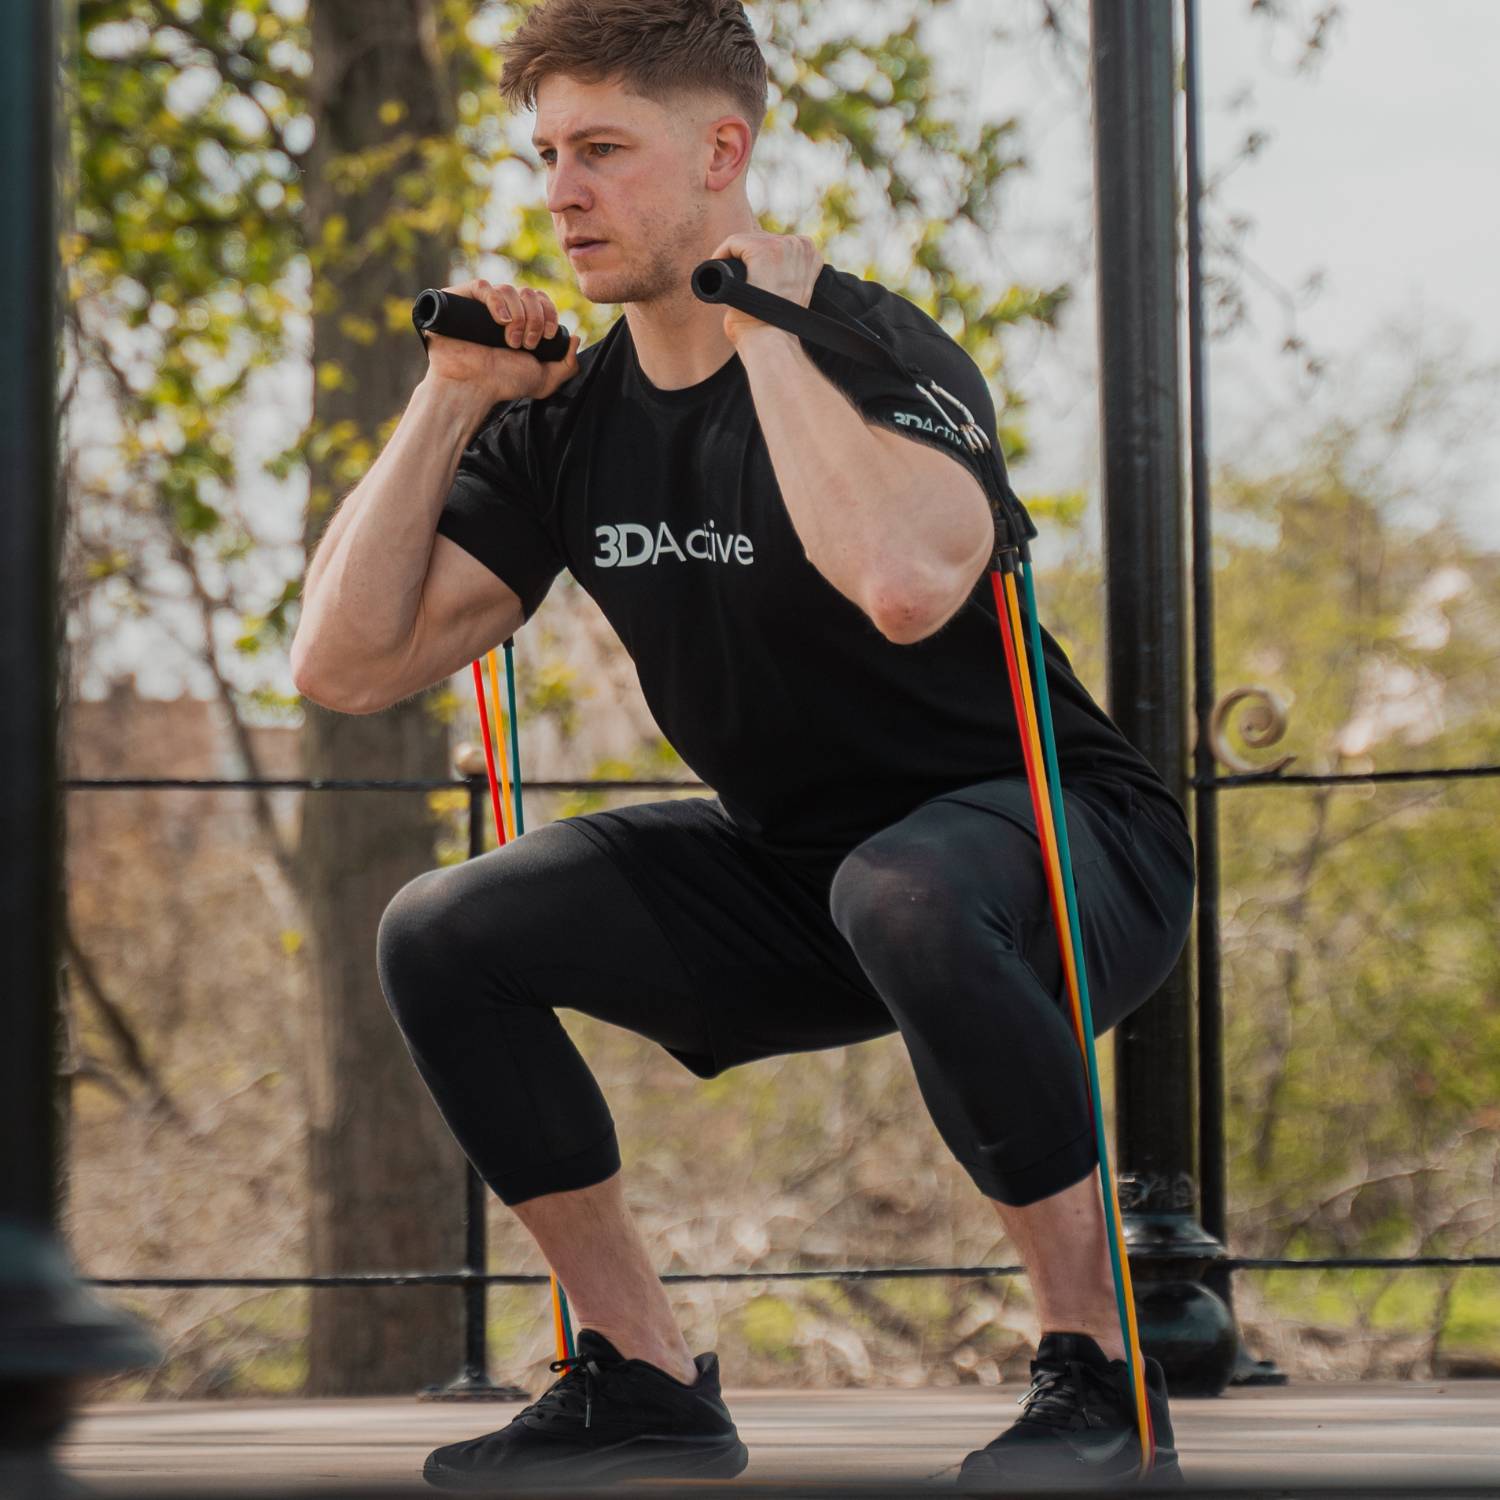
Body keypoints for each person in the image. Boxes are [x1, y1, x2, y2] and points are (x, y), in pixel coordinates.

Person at [291, 0, 1195, 1490]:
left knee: (903, 887)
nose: (561, 192)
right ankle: (642, 1377)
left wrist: (769, 330)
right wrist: (448, 404)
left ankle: (1100, 1370)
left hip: (1064, 850)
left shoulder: (867, 342)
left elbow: (909, 589)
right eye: (546, 157)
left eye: (601, 152)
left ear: (725, 150)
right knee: (444, 930)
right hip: (807, 874)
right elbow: (345, 660)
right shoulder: (571, 419)